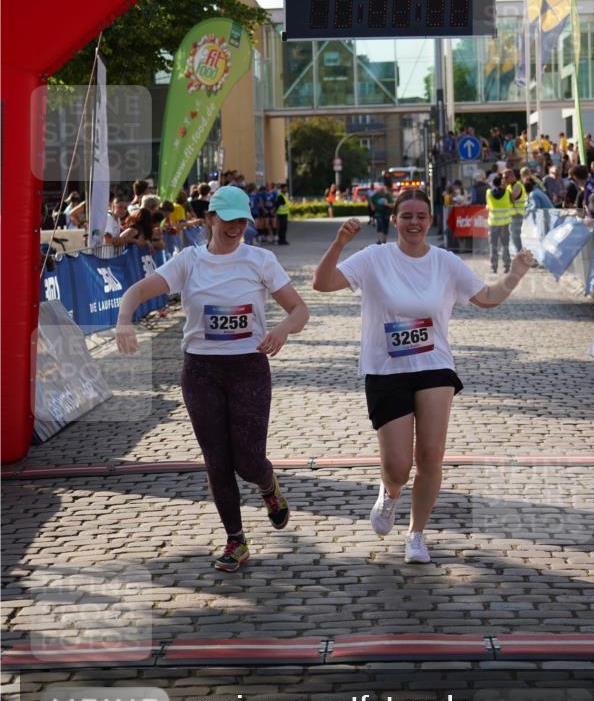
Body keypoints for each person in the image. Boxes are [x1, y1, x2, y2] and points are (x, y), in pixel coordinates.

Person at [312, 189, 534, 564]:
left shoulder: (445, 262)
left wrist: (515, 273)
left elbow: (487, 297)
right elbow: (322, 282)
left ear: (430, 221)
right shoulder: (374, 258)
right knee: (398, 467)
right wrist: (339, 243)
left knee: (431, 456)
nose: (414, 223)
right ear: (394, 220)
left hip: (434, 366)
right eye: (406, 216)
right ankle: (390, 492)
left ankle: (416, 534)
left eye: (421, 216)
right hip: (386, 369)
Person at [115, 186, 309, 573]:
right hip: (201, 371)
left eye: (242, 221)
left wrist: (283, 329)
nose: (236, 228)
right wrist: (124, 320)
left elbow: (299, 309)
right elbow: (137, 291)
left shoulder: (260, 260)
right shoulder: (189, 261)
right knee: (217, 461)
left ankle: (267, 484)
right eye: (228, 220)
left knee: (248, 461)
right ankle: (235, 539)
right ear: (210, 219)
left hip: (248, 368)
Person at [486, 173, 512, 274]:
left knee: (493, 245)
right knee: (505, 245)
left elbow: (488, 206)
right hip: (505, 223)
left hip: (493, 223)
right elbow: (510, 204)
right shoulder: (507, 193)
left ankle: (494, 267)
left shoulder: (488, 193)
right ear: (501, 183)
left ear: (493, 183)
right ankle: (506, 265)